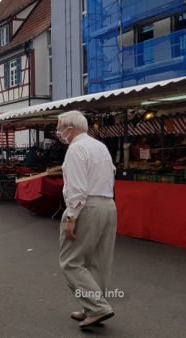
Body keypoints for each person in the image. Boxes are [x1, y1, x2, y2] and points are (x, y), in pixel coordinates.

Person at [56, 110, 117, 329]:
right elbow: (112, 173)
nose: (59, 132)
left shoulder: (75, 149)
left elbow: (77, 187)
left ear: (70, 129)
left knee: (71, 261)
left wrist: (71, 216)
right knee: (98, 261)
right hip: (107, 204)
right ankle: (92, 308)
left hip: (86, 205)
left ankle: (97, 307)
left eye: (60, 128)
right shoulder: (100, 146)